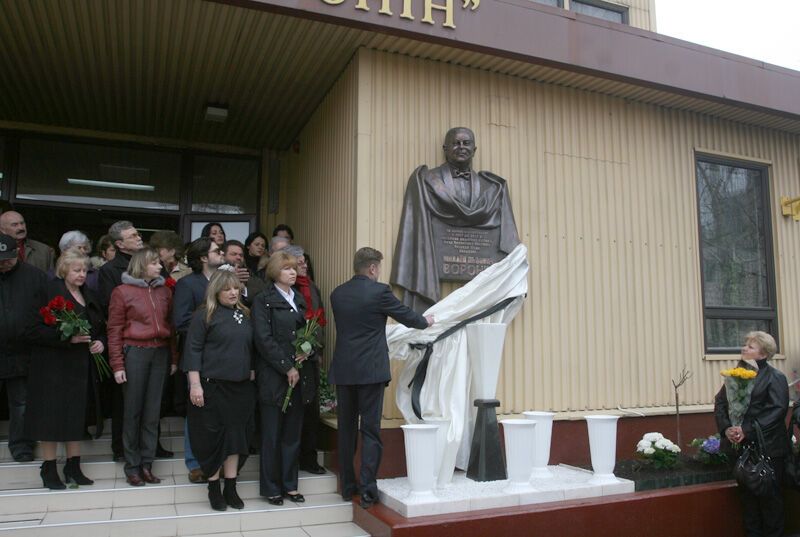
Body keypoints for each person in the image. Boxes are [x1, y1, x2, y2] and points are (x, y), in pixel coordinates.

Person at [329, 247, 433, 508]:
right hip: (371, 371)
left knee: (347, 429)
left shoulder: (337, 294)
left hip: (344, 370)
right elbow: (407, 317)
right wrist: (426, 321)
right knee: (371, 431)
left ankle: (347, 486)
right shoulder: (379, 292)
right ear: (373, 268)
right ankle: (367, 489)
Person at [391, 127, 520, 313]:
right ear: (445, 148)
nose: (461, 147)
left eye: (466, 143)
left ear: (474, 149)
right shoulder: (426, 181)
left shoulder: (492, 188)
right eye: (455, 143)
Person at [26, 249, 106, 489]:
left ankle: (73, 465)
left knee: (76, 416)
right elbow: (31, 329)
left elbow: (98, 325)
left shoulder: (88, 293)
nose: (82, 275)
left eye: (84, 271)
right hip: (52, 367)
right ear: (64, 270)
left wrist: (99, 340)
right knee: (50, 417)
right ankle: (49, 467)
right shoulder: (49, 292)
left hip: (80, 366)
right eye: (77, 270)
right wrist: (66, 339)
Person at [185, 270, 256, 511]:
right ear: (216, 290)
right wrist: (195, 384)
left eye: (236, 288)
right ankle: (214, 488)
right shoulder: (203, 315)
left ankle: (231, 487)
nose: (233, 292)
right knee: (214, 440)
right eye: (227, 289)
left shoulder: (245, 314)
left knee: (236, 439)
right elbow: (192, 350)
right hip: (212, 387)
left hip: (241, 387)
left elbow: (251, 348)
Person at [107, 248, 178, 486]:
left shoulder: (164, 291)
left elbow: (171, 327)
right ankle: (132, 465)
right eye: (155, 263)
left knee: (152, 411)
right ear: (142, 265)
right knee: (133, 411)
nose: (160, 267)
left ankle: (147, 464)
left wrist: (174, 358)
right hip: (134, 352)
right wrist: (117, 363)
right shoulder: (122, 291)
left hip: (159, 352)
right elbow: (114, 329)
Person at [714, 331, 789, 537]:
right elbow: (721, 403)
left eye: (750, 346)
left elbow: (777, 410)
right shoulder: (736, 376)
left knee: (770, 501)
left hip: (768, 449)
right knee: (747, 501)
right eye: (745, 345)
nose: (744, 349)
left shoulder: (775, 377)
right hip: (741, 449)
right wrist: (727, 428)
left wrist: (746, 430)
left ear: (763, 354)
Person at [252, 251, 311, 506]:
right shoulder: (263, 300)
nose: (293, 272)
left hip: (297, 375)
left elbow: (306, 333)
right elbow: (263, 340)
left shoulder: (297, 298)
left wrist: (306, 349)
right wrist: (287, 366)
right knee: (272, 433)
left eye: (294, 268)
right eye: (287, 268)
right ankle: (271, 488)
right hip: (274, 376)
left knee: (291, 434)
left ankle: (290, 485)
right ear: (276, 271)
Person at [173, 237, 224, 484]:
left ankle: (217, 460)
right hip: (197, 355)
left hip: (223, 357)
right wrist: (208, 331)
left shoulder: (224, 282)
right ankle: (194, 463)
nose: (221, 252)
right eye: (216, 250)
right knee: (197, 409)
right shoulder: (187, 284)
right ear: (203, 257)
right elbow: (180, 321)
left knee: (219, 411)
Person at [98, 220, 144, 460]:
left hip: (150, 341)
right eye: (133, 235)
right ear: (119, 244)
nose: (138, 238)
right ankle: (121, 447)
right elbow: (110, 306)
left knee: (148, 398)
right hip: (126, 340)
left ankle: (149, 445)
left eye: (137, 233)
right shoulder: (110, 270)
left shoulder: (149, 262)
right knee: (124, 399)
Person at [0, 233, 46, 462]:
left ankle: (22, 445)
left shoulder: (35, 276)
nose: (4, 263)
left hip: (23, 350)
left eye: (7, 258)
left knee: (21, 402)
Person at [285, 245, 326, 475]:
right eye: (299, 263)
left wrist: (317, 349)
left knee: (311, 409)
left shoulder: (312, 286)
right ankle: (290, 460)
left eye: (304, 262)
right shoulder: (282, 290)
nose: (304, 266)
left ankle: (309, 458)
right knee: (293, 411)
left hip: (311, 357)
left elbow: (320, 320)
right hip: (289, 359)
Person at [222, 239, 265, 304]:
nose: (238, 257)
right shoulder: (216, 273)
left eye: (241, 255)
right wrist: (230, 279)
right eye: (234, 254)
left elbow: (262, 293)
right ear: (223, 256)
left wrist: (244, 290)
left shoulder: (249, 274)